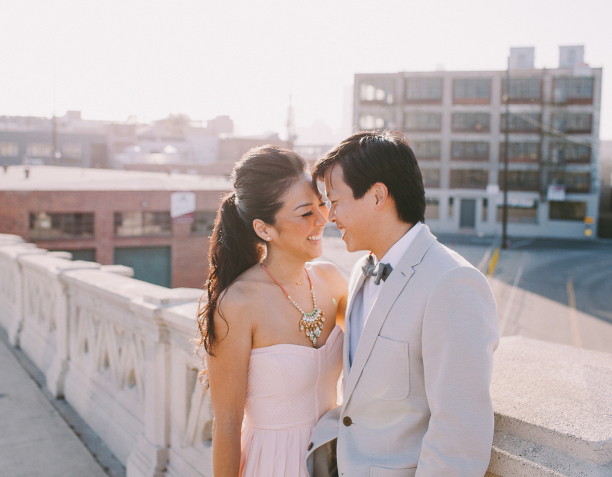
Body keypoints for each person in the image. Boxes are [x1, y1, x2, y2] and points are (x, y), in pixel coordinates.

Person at [306, 130, 500, 477]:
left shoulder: (453, 283)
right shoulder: (360, 272)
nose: (329, 217)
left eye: (334, 201)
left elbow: (459, 432)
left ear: (378, 196)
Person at [197, 145, 348, 477]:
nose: (324, 218)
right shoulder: (237, 304)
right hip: (271, 464)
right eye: (306, 212)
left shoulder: (332, 280)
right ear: (264, 229)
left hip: (333, 460)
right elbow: (227, 423)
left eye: (321, 204)